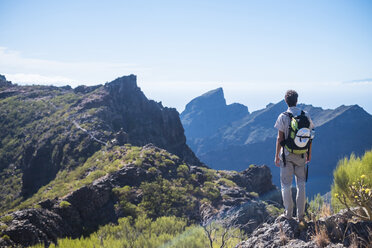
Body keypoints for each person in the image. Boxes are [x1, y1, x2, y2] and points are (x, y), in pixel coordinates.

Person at [274, 90, 314, 221]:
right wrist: (309, 153)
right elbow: (310, 136)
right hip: (302, 154)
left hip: (286, 155)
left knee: (286, 185)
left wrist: (276, 156)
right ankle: (301, 216)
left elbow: (280, 138)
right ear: (297, 100)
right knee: (301, 185)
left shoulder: (283, 116)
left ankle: (288, 214)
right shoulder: (305, 115)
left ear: (286, 101)